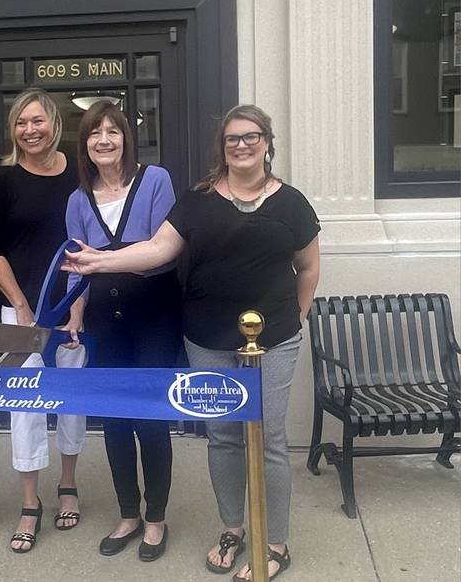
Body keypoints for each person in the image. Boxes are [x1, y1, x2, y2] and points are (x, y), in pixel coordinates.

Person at [63, 104, 321, 581]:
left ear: (267, 142)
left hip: (275, 340)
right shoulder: (198, 199)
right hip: (208, 337)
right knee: (222, 437)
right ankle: (232, 528)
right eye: (231, 139)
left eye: (251, 136)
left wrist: (298, 317)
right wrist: (97, 263)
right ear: (221, 149)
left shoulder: (292, 203)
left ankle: (276, 542)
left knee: (269, 440)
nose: (241, 145)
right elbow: (158, 248)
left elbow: (308, 268)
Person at [65, 101, 180, 561]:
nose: (105, 140)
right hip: (104, 322)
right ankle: (128, 513)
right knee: (113, 418)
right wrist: (74, 314)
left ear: (127, 139)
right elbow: (77, 269)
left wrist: (104, 261)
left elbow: (161, 249)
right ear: (85, 144)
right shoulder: (77, 199)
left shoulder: (155, 180)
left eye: (113, 131)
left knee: (150, 418)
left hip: (153, 313)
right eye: (95, 133)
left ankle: (156, 519)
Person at [0, 88, 86, 553]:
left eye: (38, 121)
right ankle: (30, 501)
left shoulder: (79, 175)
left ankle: (68, 483)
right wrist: (22, 306)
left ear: (54, 124)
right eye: (21, 123)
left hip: (74, 308)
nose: (30, 130)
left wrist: (76, 308)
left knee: (70, 400)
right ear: (14, 129)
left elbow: (87, 243)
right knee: (24, 407)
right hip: (19, 310)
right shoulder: (3, 181)